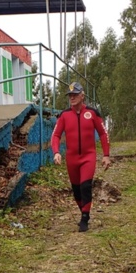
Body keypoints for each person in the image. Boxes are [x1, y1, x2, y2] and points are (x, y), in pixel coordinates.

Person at [51, 82, 111, 232]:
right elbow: (56, 135)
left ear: (82, 96)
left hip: (88, 156)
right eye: (70, 95)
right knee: (76, 190)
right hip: (71, 159)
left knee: (85, 186)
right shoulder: (64, 115)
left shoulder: (92, 113)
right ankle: (83, 210)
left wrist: (106, 155)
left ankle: (85, 217)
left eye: (75, 94)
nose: (72, 97)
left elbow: (103, 133)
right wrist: (56, 152)